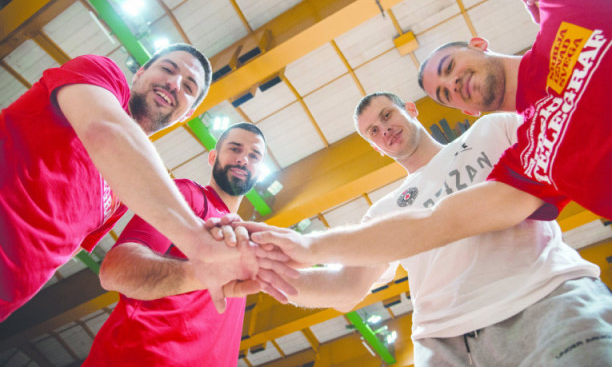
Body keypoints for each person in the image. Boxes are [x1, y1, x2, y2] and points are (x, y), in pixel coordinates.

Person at [233, 93, 612, 366]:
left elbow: (564, 146)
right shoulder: (383, 212)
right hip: (445, 343)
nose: (384, 130)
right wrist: (264, 272)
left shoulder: (490, 130)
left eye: (387, 115)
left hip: (545, 301)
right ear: (375, 147)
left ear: (411, 109)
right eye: (373, 131)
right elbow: (347, 289)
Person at [0, 44, 280, 321]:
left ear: (187, 114)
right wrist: (197, 240)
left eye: (188, 87)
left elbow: (63, 247)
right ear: (140, 73)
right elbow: (105, 130)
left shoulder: (122, 195)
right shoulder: (101, 72)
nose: (174, 84)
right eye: (168, 69)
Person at [82, 123, 297, 367]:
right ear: (213, 157)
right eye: (235, 149)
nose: (243, 159)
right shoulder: (188, 195)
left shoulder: (244, 243)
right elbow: (115, 269)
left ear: (259, 172)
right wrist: (197, 273)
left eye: (254, 156)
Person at [417, 0, 612, 219]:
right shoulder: (524, 165)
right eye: (445, 93)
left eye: (449, 66)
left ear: (478, 44)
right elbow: (445, 222)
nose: (452, 83)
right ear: (469, 112)